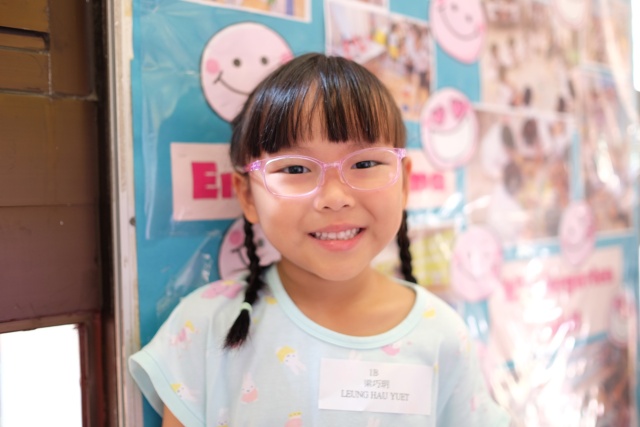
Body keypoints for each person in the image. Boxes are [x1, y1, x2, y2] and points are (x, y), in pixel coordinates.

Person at [129, 53, 511, 427]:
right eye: (296, 168)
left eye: (365, 163)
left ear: (404, 181)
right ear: (247, 195)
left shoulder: (442, 335)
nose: (334, 197)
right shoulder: (206, 327)